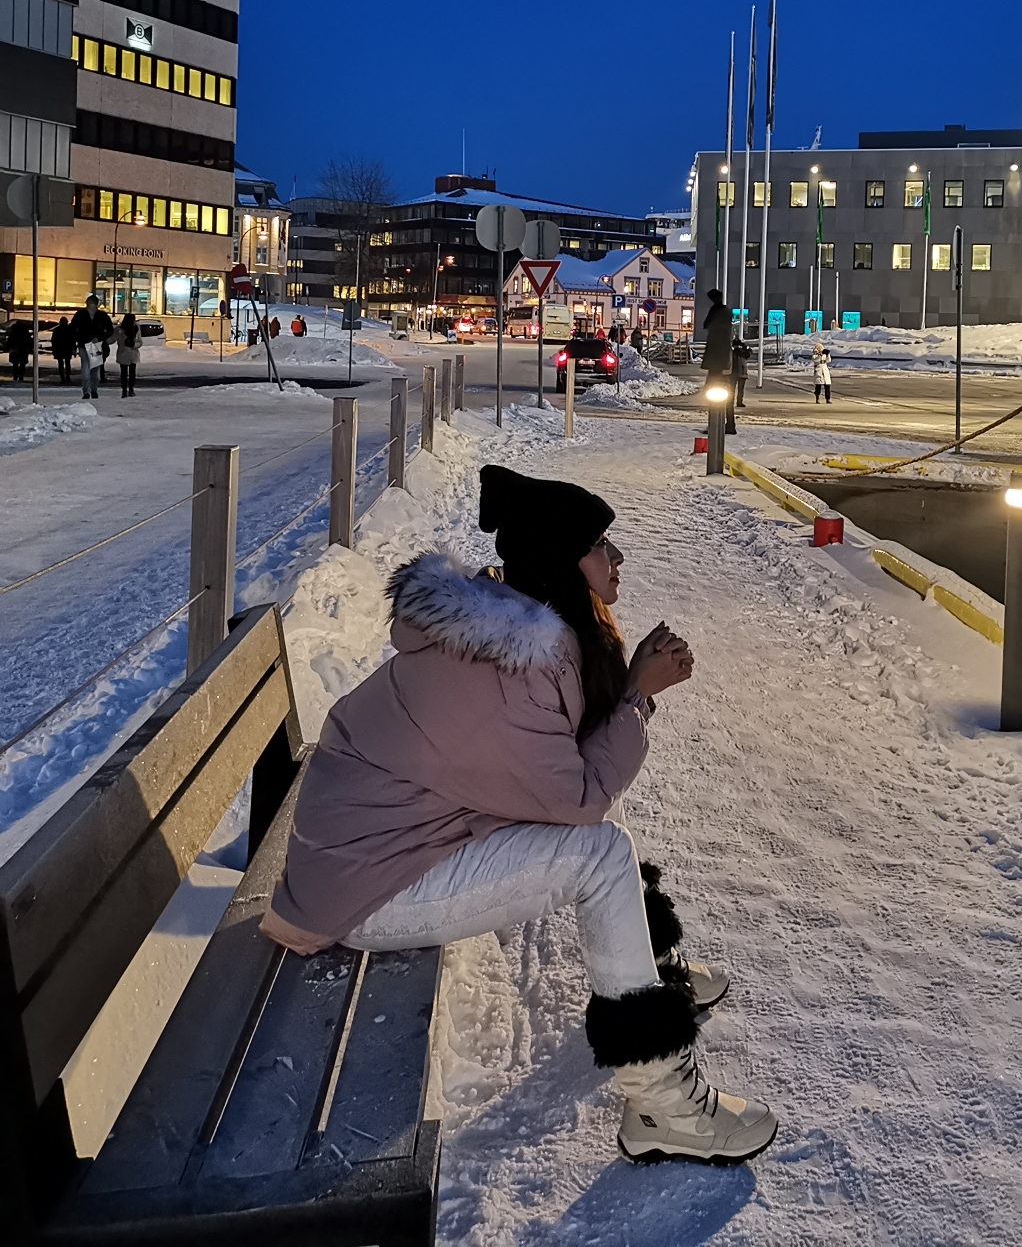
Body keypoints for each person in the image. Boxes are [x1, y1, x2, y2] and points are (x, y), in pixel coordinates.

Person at [260, 464, 777, 1167]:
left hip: (393, 843)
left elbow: (557, 775)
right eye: (601, 545)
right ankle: (665, 1103)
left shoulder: (510, 639)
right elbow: (580, 800)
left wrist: (628, 692)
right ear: (562, 565)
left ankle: (643, 977)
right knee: (596, 853)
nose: (617, 558)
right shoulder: (502, 674)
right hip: (366, 890)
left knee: (593, 846)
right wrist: (636, 699)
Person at [71, 294, 114, 400]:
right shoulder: (81, 315)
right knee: (86, 369)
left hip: (95, 345)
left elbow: (110, 330)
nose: (89, 305)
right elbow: (72, 329)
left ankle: (93, 389)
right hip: (84, 344)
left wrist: (100, 338)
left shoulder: (102, 316)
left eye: (91, 303)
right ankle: (87, 390)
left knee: (95, 370)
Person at [115, 312, 142, 398]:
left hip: (132, 353)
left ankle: (130, 389)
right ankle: (125, 390)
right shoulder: (120, 329)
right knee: (125, 373)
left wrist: (133, 344)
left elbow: (140, 342)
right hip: (124, 353)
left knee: (130, 373)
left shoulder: (136, 328)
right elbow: (118, 340)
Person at [6, 319, 33, 384]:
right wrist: (30, 348)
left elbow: (9, 341)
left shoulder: (13, 332)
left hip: (15, 350)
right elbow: (29, 341)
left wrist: (9, 347)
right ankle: (21, 376)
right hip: (23, 350)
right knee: (22, 365)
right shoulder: (25, 333)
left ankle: (15, 376)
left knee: (15, 364)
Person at [51, 315, 75, 386]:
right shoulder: (69, 330)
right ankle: (67, 377)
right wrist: (74, 348)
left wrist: (54, 349)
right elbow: (72, 340)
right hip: (67, 349)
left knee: (60, 363)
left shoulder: (56, 330)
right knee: (67, 363)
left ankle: (63, 378)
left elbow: (53, 340)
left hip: (59, 349)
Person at [812, 340, 832, 405]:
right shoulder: (815, 355)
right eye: (818, 348)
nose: (819, 349)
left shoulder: (823, 354)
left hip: (825, 370)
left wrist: (827, 355)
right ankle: (817, 397)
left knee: (827, 386)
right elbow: (815, 360)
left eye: (820, 348)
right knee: (818, 386)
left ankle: (828, 399)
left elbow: (828, 360)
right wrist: (819, 355)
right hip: (819, 370)